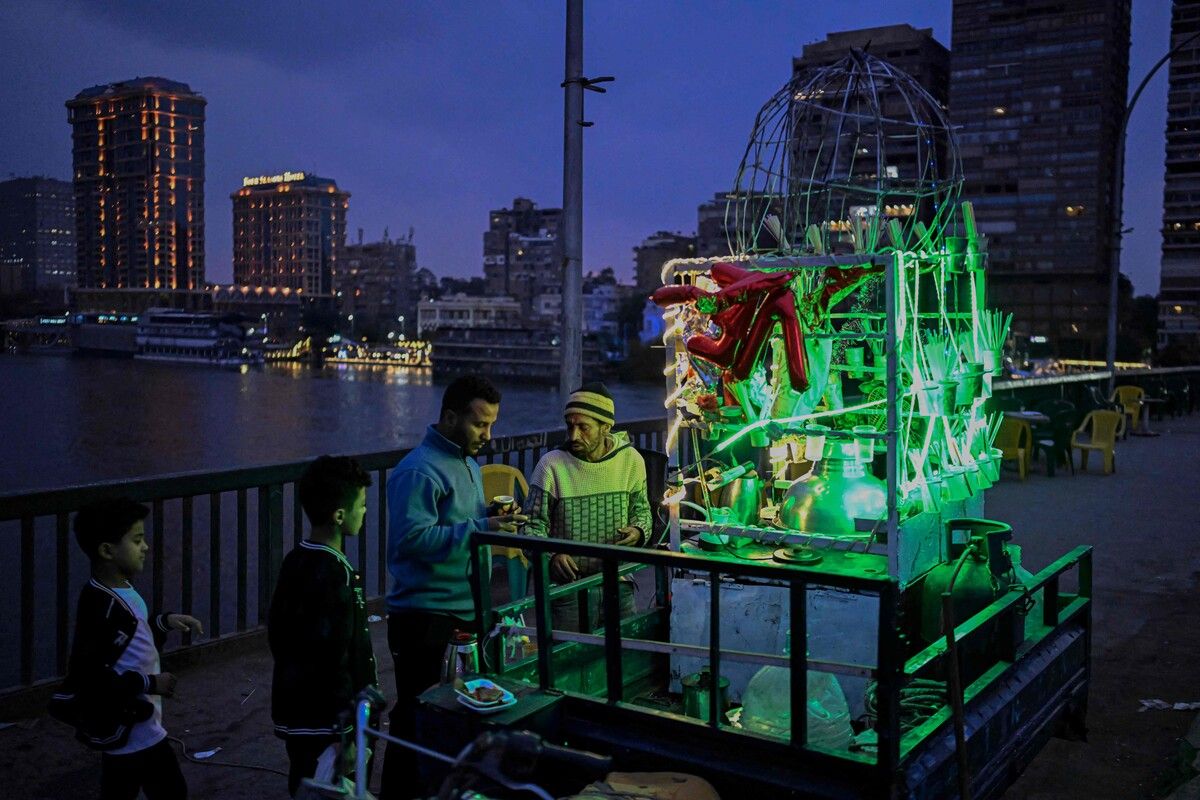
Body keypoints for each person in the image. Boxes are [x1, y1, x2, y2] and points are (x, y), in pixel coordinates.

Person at [380, 375, 526, 798]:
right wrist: (482, 526)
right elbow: (411, 542)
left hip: (463, 611)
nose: (488, 435)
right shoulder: (418, 471)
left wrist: (492, 517)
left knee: (453, 716)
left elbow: (459, 525)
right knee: (414, 716)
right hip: (424, 617)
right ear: (449, 417)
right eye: (480, 424)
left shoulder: (467, 462)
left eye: (492, 424)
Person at [49, 497, 203, 800]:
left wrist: (165, 622)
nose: (145, 547)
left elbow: (134, 632)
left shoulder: (117, 592)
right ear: (107, 550)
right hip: (132, 728)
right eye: (137, 540)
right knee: (169, 790)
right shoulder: (101, 605)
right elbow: (90, 675)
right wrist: (150, 683)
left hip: (135, 726)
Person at [268, 455, 378, 797]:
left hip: (297, 714)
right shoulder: (337, 574)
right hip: (330, 723)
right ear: (340, 515)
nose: (364, 512)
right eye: (361, 505)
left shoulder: (294, 560)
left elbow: (278, 635)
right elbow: (335, 658)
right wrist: (347, 732)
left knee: (303, 782)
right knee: (335, 787)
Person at [524, 382, 653, 631]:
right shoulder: (550, 466)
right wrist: (552, 557)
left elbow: (642, 510)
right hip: (567, 588)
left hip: (618, 582)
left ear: (606, 427)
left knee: (623, 657)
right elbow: (531, 526)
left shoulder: (631, 461)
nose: (574, 436)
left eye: (584, 428)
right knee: (569, 661)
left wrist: (638, 531)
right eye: (570, 426)